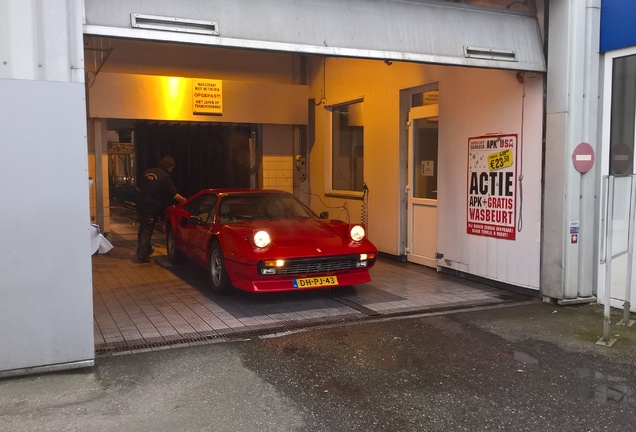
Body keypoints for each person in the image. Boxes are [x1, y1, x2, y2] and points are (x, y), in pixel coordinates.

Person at [136, 156, 186, 263]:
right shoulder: (165, 177)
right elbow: (174, 194)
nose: (172, 170)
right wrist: (185, 200)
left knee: (143, 227)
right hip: (151, 206)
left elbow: (138, 186)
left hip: (140, 204)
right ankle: (142, 255)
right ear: (168, 167)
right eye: (172, 168)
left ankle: (146, 249)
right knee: (147, 230)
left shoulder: (148, 172)